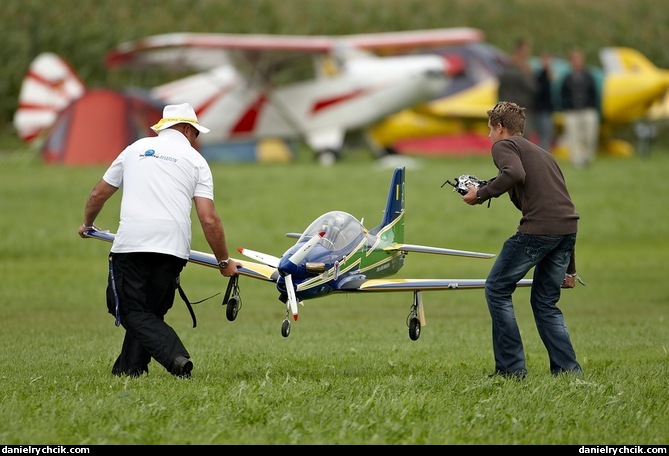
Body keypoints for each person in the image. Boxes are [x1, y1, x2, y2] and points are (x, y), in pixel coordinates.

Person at [78, 103, 241, 379]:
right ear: (188, 129)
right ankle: (129, 370)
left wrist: (88, 225)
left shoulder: (134, 149)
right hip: (174, 248)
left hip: (132, 244)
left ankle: (176, 356)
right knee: (148, 310)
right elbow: (208, 218)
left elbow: (98, 194)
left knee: (125, 308)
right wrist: (223, 261)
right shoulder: (196, 161)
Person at [462, 101, 583, 379]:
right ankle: (568, 371)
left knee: (496, 288)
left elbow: (514, 173)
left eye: (490, 130)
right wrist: (570, 269)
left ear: (501, 127)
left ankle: (510, 369)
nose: (489, 136)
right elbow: (563, 210)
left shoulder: (504, 147)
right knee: (545, 302)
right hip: (565, 231)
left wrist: (480, 196)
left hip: (537, 231)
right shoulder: (543, 154)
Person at [560, 49, 599, 167]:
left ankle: (587, 156)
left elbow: (594, 93)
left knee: (590, 135)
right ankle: (577, 160)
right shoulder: (567, 78)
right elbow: (563, 94)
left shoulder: (588, 76)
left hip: (587, 110)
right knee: (573, 136)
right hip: (572, 111)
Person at [497, 38, 537, 138]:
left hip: (507, 107)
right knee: (522, 137)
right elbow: (532, 88)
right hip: (521, 108)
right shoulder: (523, 70)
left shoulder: (505, 68)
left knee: (508, 137)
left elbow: (500, 88)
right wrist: (528, 75)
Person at [533, 53, 555, 152]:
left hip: (546, 109)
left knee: (546, 134)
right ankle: (542, 154)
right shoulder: (539, 75)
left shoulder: (550, 75)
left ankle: (543, 153)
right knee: (543, 134)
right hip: (540, 109)